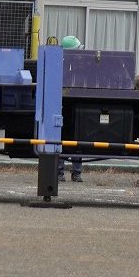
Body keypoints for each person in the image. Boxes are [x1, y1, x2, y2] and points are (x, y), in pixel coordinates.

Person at [57, 35, 85, 182]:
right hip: (65, 107)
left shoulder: (79, 67)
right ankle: (61, 172)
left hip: (73, 106)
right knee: (63, 139)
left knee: (75, 139)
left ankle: (75, 172)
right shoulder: (62, 67)